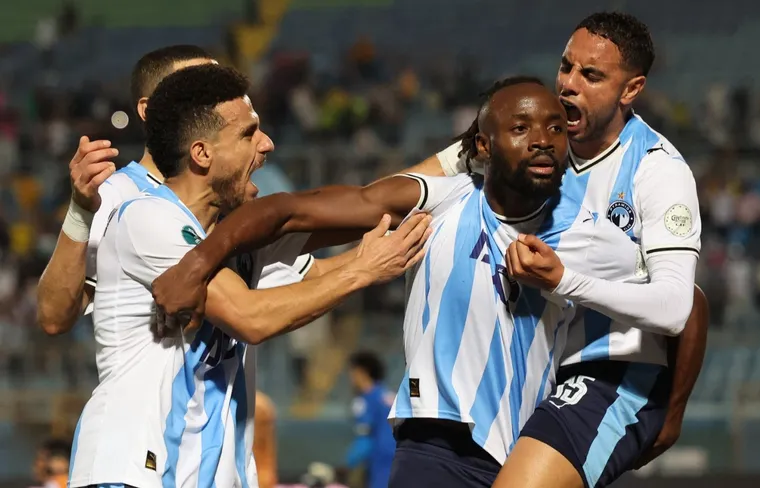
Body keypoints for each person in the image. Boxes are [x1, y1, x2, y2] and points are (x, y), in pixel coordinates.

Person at [150, 76, 594, 486]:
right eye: (521, 127)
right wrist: (197, 263)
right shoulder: (441, 199)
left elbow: (653, 306)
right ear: (483, 144)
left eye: (555, 128)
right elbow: (287, 214)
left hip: (532, 453)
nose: (541, 140)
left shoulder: (589, 230)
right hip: (437, 444)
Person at [67, 64, 430, 488]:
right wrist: (363, 269)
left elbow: (358, 215)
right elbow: (250, 317)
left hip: (194, 471)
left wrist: (456, 166)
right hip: (132, 467)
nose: (267, 144)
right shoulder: (147, 217)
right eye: (248, 134)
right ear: (202, 154)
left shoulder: (231, 238)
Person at [410, 12, 703, 488]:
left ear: (631, 89)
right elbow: (409, 187)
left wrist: (563, 280)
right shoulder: (523, 136)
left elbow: (678, 306)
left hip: (614, 374)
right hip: (536, 368)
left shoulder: (657, 170)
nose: (568, 84)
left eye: (591, 76)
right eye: (566, 66)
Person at [36, 45, 217, 336]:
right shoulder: (116, 195)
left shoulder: (232, 193)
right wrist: (80, 211)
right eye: (195, 90)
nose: (214, 104)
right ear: (149, 109)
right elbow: (53, 316)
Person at [344, 351, 396, 488]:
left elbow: (365, 439)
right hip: (400, 456)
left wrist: (346, 464)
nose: (350, 377)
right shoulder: (389, 396)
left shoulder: (365, 401)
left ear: (362, 372)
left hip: (381, 460)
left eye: (352, 372)